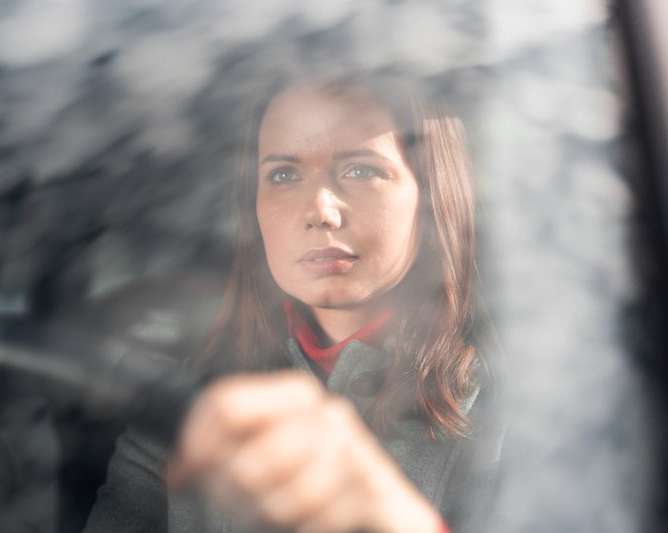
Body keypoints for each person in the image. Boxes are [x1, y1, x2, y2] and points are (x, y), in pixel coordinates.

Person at [84, 77, 502, 533]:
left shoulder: (517, 406)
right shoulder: (189, 406)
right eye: (284, 175)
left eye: (361, 170)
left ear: (431, 196)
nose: (320, 209)